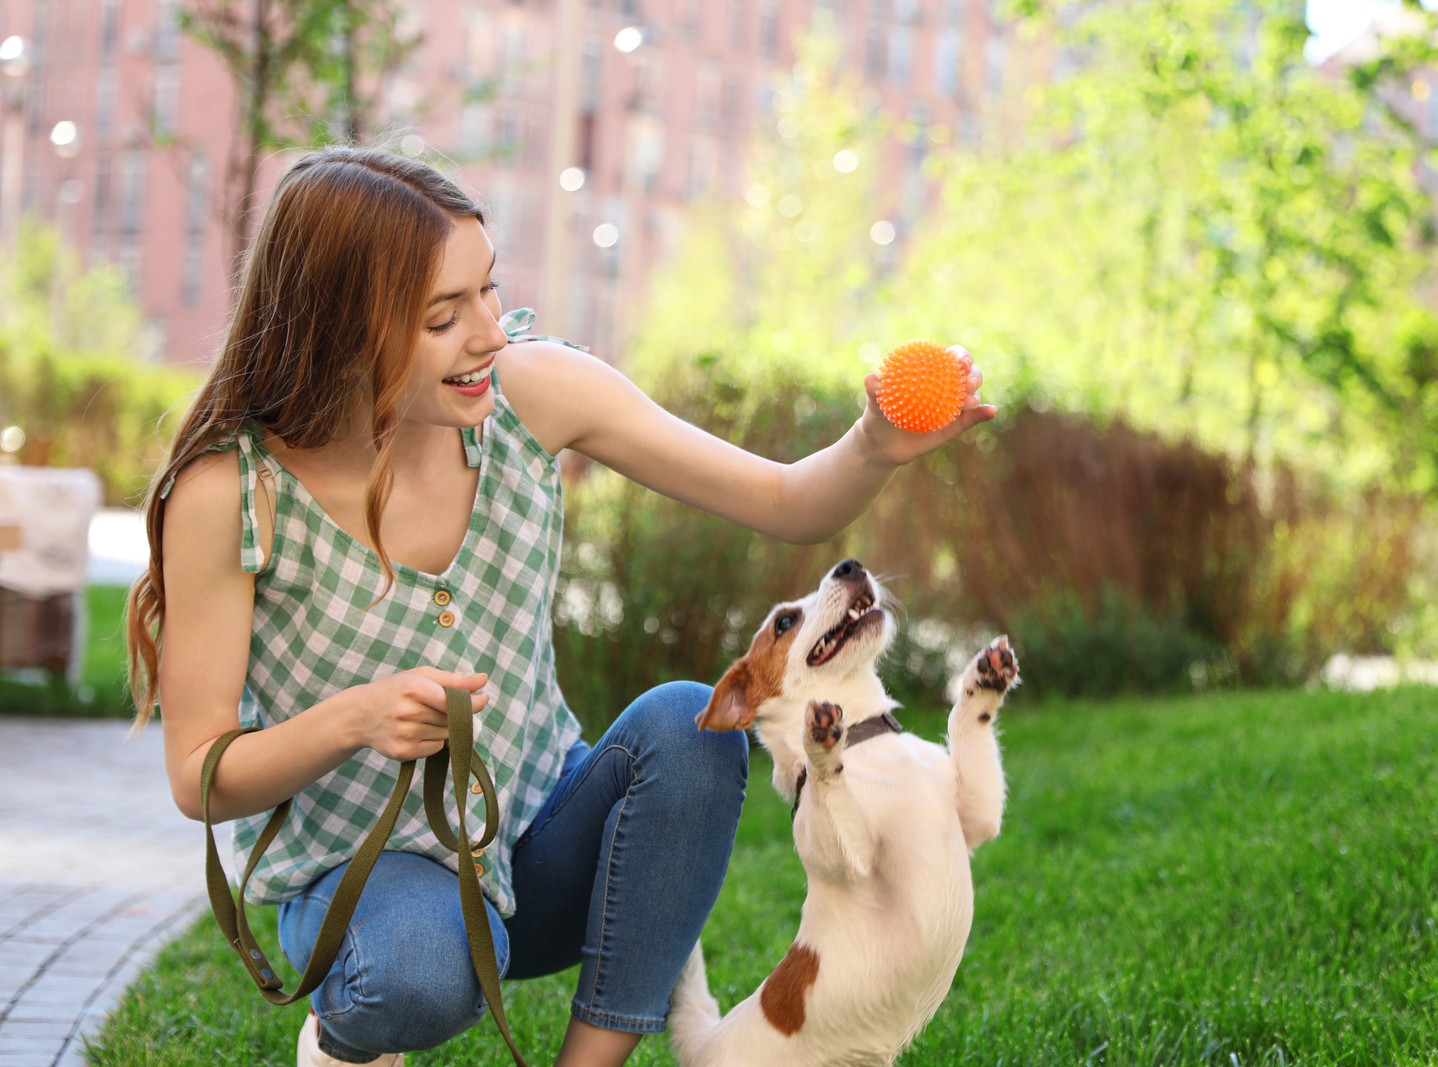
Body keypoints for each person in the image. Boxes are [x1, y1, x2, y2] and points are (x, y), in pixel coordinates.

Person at [126, 145, 995, 1067]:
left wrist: (871, 444)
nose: (490, 333)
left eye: (489, 291)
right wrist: (353, 718)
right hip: (367, 884)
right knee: (415, 971)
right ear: (342, 327)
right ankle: (346, 1038)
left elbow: (786, 502)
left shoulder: (531, 395)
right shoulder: (232, 493)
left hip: (540, 851)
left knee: (688, 727)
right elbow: (200, 773)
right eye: (442, 316)